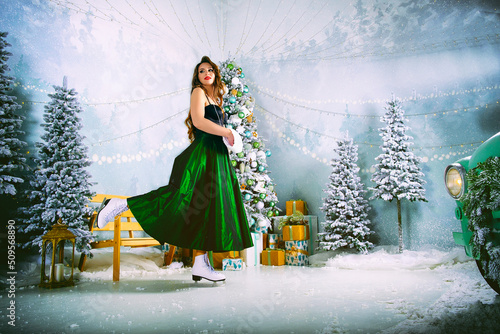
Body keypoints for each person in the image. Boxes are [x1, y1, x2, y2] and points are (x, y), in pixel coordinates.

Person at [96, 56, 253, 282]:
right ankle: (119, 204)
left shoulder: (214, 98)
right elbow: (198, 121)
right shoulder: (198, 92)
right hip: (203, 156)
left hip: (216, 157)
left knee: (206, 209)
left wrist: (227, 140)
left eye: (210, 70)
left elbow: (212, 126)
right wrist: (227, 132)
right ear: (197, 77)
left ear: (216, 75)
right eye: (201, 71)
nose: (206, 73)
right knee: (178, 198)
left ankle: (200, 264)